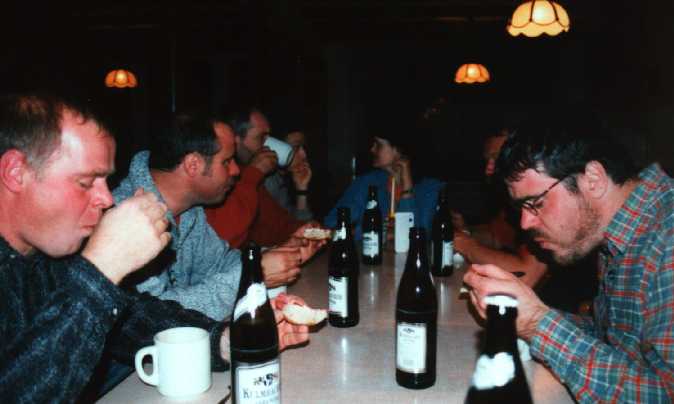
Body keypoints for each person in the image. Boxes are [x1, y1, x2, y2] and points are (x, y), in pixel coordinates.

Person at [0, 94, 309, 403]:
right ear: (15, 172)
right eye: (85, 182)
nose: (106, 199)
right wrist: (101, 270)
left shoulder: (49, 259)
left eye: (105, 181)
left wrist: (231, 340)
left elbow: (134, 320)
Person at [463, 113, 674, 402]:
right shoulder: (618, 233)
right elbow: (610, 340)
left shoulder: (667, 241)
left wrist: (537, 324)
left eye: (535, 203)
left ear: (593, 179)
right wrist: (525, 314)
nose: (525, 222)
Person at [205, 107, 325, 288]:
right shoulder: (228, 181)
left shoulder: (252, 179)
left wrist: (305, 231)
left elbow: (277, 226)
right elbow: (221, 242)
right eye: (261, 137)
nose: (268, 145)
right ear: (236, 140)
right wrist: (254, 172)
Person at [452, 129, 548, 288]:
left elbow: (526, 274)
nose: (488, 169)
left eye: (497, 158)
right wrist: (464, 232)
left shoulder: (541, 198)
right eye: (487, 160)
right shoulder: (510, 199)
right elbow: (497, 236)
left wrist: (467, 246)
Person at [324, 120, 443, 241]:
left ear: (397, 150)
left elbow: (418, 236)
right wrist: (383, 232)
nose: (372, 149)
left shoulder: (430, 188)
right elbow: (331, 223)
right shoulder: (367, 182)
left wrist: (407, 188)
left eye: (378, 145)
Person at [264, 130, 314, 221]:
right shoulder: (268, 183)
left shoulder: (285, 179)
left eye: (303, 147)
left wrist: (302, 188)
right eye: (296, 147)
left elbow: (300, 223)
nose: (304, 155)